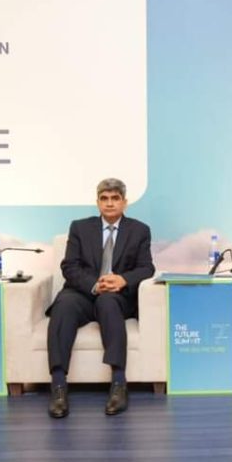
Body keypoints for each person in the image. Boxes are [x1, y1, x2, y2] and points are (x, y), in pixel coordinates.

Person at [46, 178, 154, 418]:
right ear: (97, 202)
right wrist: (95, 285)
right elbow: (69, 266)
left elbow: (147, 268)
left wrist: (122, 280)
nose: (110, 203)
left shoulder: (139, 230)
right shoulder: (80, 228)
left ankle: (118, 383)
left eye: (115, 198)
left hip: (118, 295)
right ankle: (58, 385)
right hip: (83, 292)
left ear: (124, 202)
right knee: (64, 305)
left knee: (108, 302)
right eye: (104, 198)